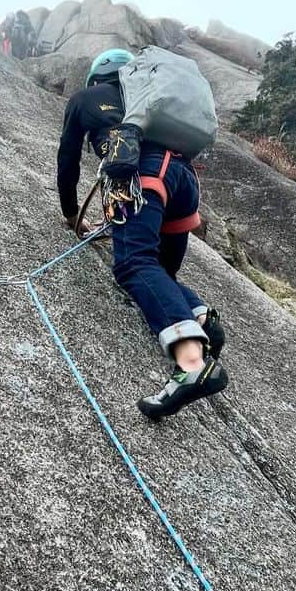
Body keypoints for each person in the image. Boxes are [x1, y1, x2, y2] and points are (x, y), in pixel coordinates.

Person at [56, 48, 228, 418]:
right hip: (184, 180)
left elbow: (67, 159)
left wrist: (72, 214)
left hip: (144, 176)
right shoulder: (152, 94)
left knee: (134, 265)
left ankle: (193, 365)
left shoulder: (87, 98)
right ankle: (201, 318)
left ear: (96, 76)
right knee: (159, 274)